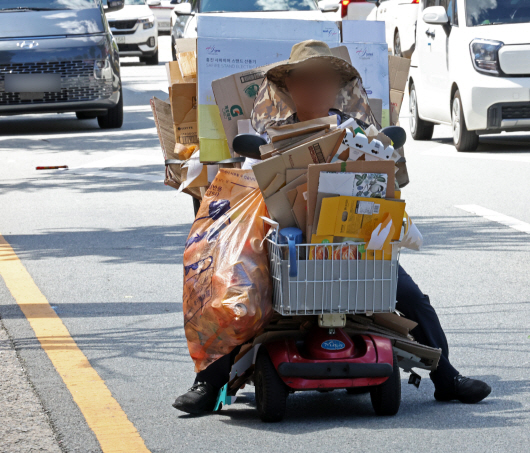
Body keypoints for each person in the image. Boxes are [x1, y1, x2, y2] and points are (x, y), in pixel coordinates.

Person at [173, 40, 491, 415]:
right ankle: (209, 384)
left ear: (337, 87)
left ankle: (446, 377)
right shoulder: (271, 139)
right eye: (305, 80)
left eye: (323, 80)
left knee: (410, 296)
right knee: (233, 293)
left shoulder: (358, 134)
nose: (315, 88)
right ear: (289, 87)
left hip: (354, 249)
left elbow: (390, 184)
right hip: (287, 250)